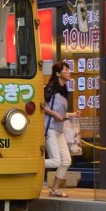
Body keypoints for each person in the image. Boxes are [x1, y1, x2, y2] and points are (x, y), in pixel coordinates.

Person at [43, 61, 81, 197]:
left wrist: (72, 115)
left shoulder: (65, 91)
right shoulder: (50, 88)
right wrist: (53, 114)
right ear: (58, 73)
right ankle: (31, 164)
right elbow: (41, 106)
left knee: (66, 161)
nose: (69, 72)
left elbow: (61, 113)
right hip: (49, 129)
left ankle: (54, 190)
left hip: (58, 130)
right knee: (56, 161)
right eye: (66, 69)